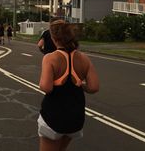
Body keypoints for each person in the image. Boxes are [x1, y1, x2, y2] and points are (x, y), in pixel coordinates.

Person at [38, 19, 99, 151]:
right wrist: (79, 84)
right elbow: (94, 87)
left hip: (53, 116)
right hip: (75, 117)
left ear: (54, 37)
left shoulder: (50, 58)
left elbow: (46, 87)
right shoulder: (84, 58)